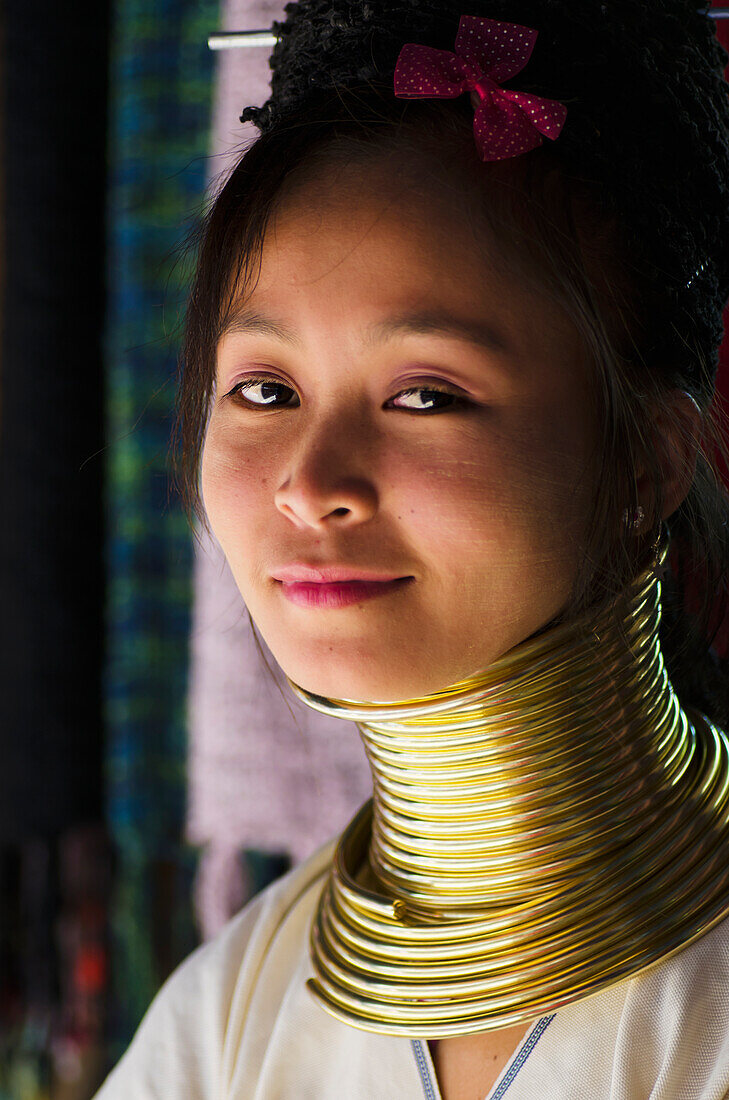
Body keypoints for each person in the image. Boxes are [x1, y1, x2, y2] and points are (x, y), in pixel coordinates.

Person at [93, 0, 729, 1097]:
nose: (310, 481)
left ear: (647, 465)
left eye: (424, 394)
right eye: (264, 389)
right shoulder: (227, 1013)